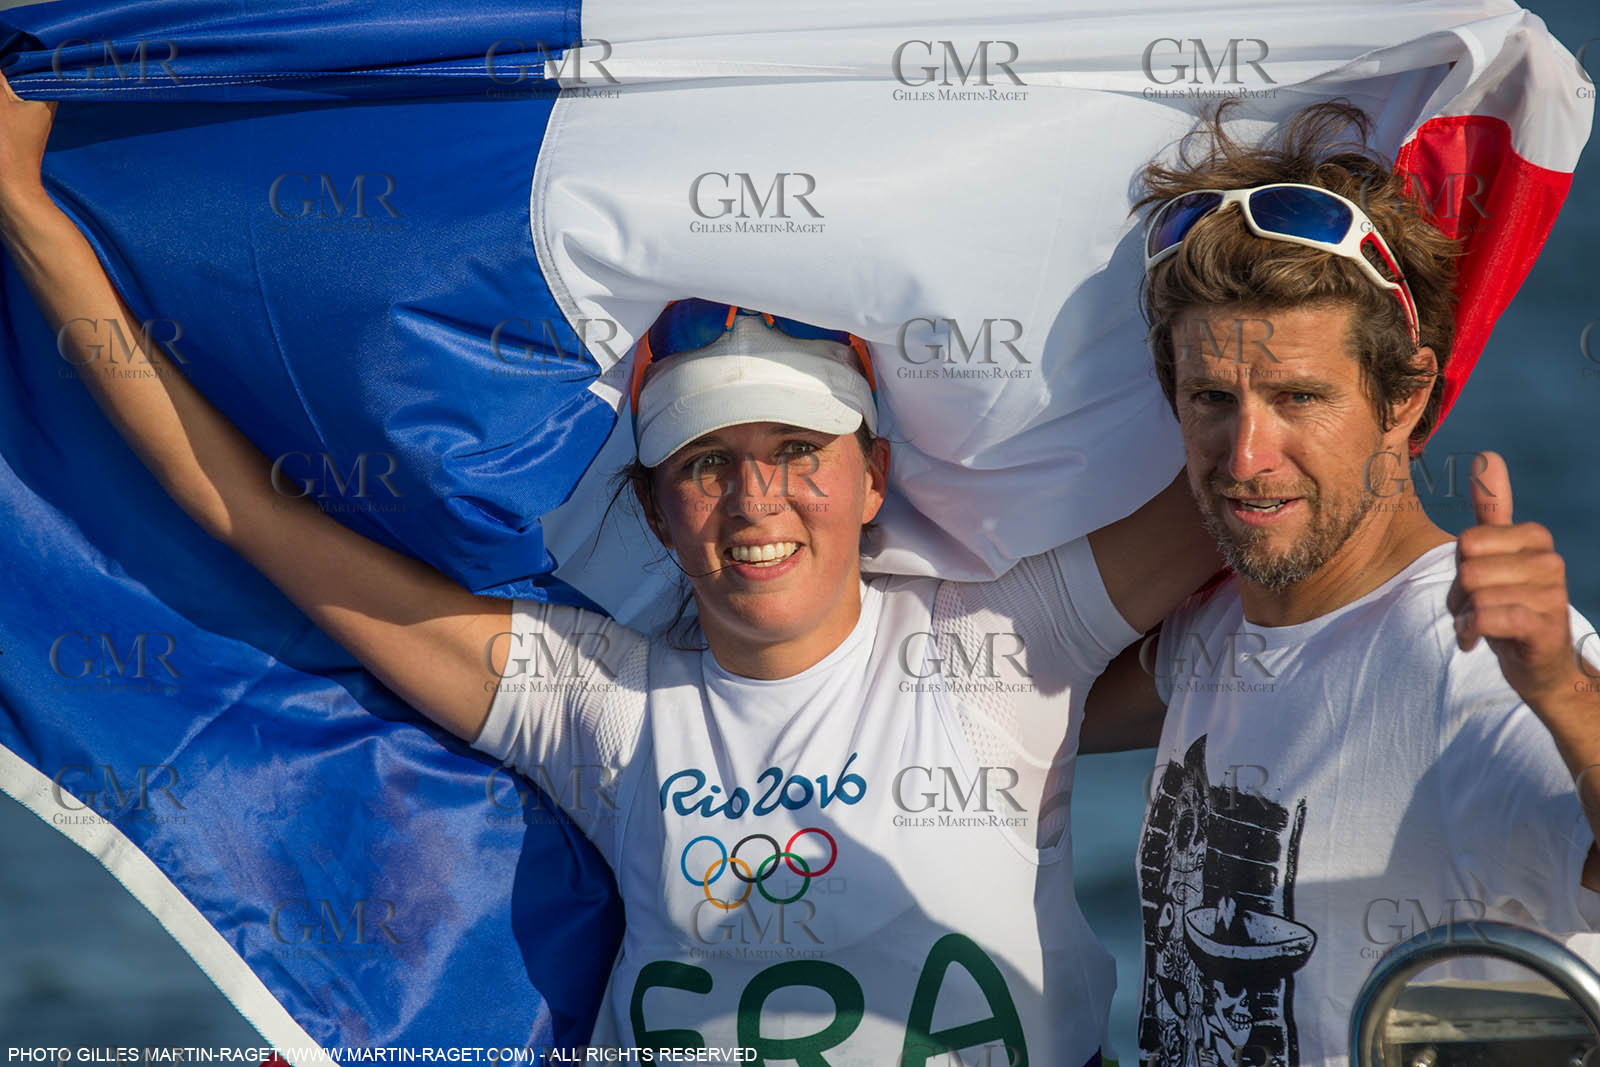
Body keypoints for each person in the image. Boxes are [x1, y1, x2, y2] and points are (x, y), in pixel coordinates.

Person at [0, 76, 1223, 1063]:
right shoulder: (603, 705)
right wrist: (26, 210)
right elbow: (256, 520)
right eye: (706, 462)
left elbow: (1247, 482)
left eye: (798, 450)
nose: (756, 500)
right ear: (652, 509)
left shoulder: (999, 647)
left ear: (873, 476)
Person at [1082, 101, 1600, 1067]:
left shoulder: (1474, 664)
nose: (1247, 455)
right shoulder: (1216, 635)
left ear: (1406, 396)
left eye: (1299, 398)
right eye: (1212, 398)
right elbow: (998, 701)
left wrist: (1563, 690)